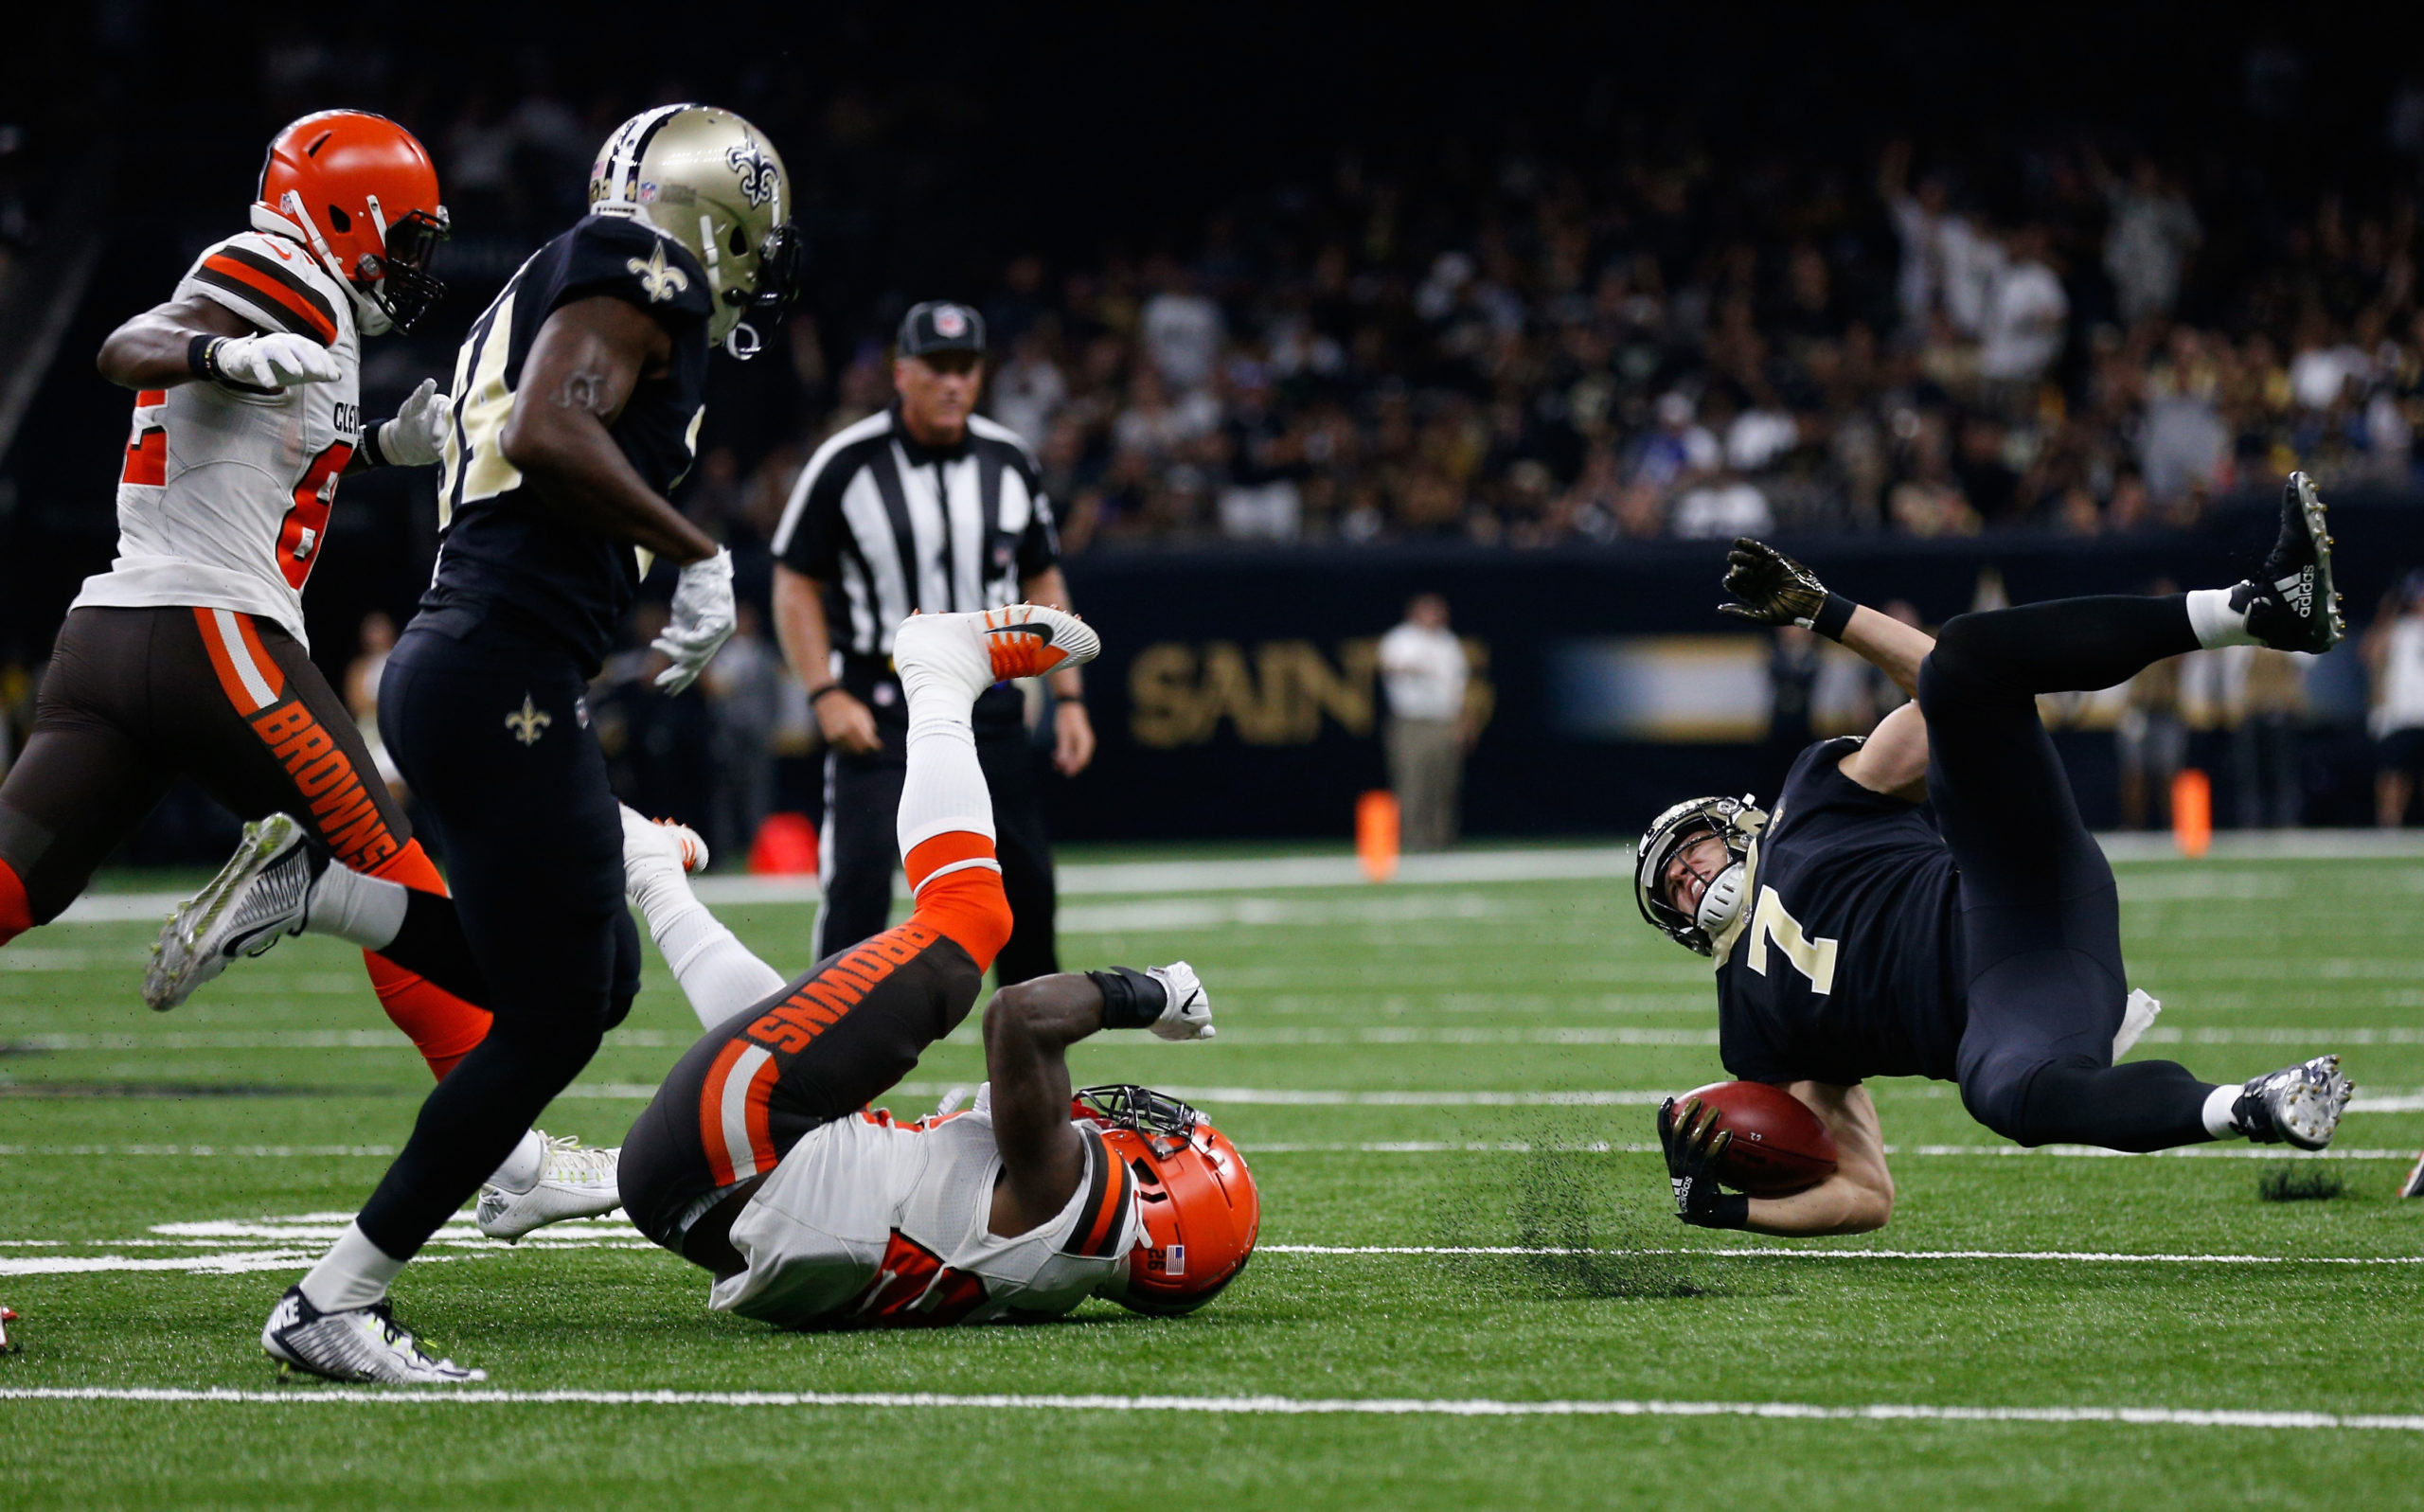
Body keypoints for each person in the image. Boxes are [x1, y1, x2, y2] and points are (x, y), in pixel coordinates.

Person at [187, 105, 805, 1383]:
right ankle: (335, 1298)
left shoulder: (538, 281)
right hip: (499, 671)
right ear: (718, 214)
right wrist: (697, 555)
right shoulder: (647, 266)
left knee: (592, 987)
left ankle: (335, 894)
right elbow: (545, 432)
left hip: (469, 662)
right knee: (554, 1016)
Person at [1639, 476, 2357, 1237]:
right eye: (1672, 889)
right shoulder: (1750, 1029)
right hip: (2017, 1005)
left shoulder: (1811, 799)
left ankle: (2256, 606)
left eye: (1689, 852)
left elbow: (1938, 689)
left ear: (1733, 823)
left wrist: (1827, 611)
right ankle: (2254, 1104)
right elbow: (1865, 1190)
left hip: (2010, 877)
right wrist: (1731, 1208)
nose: (1689, 876)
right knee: (2005, 1096)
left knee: (1963, 658)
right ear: (1679, 928)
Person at [613, 605, 1255, 1326]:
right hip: (681, 1200)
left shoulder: (1082, 1202)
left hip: (736, 1138)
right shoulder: (1048, 1280)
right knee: (797, 1070)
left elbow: (1021, 1016)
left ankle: (938, 674)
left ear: (1165, 1195)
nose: (1139, 1126)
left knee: (967, 926)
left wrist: (1151, 994)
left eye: (1165, 1142)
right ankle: (651, 873)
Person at [770, 300, 1093, 983]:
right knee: (858, 886)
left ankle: (1028, 1079)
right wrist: (824, 692)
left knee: (1027, 893)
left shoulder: (1009, 460)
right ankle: (825, 1072)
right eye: (937, 367)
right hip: (878, 703)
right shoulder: (846, 462)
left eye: (965, 367)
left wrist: (1068, 695)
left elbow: (1041, 570)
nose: (952, 382)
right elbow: (794, 581)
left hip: (991, 704)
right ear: (901, 372)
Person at [1377, 593, 1470, 852]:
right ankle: (1413, 840)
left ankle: (1441, 840)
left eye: (1438, 612)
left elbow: (1458, 688)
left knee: (1444, 782)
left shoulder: (1448, 642)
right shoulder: (1401, 639)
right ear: (1415, 613)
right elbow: (1388, 666)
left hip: (1443, 721)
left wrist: (1461, 724)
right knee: (1413, 781)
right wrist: (1413, 668)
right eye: (1429, 611)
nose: (1434, 617)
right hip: (1411, 721)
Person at [2365, 571, 2424, 827]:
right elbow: (2370, 654)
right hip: (2402, 714)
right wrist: (2386, 613)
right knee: (2394, 772)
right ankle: (2390, 823)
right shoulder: (2400, 629)